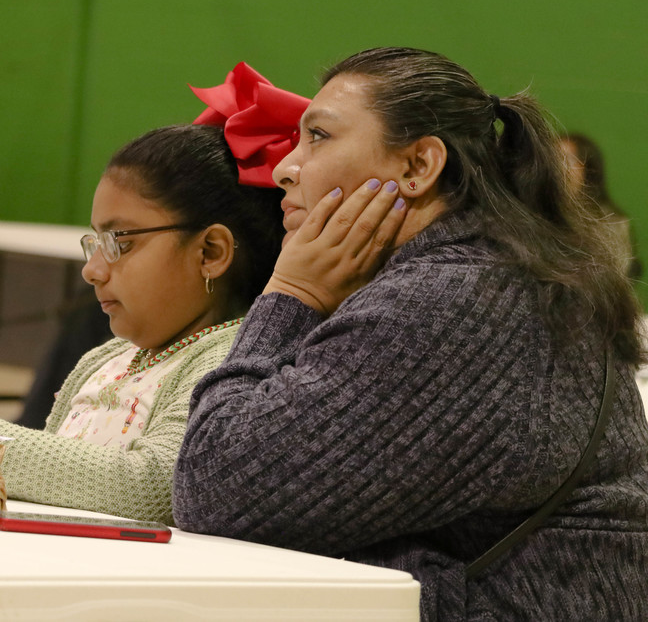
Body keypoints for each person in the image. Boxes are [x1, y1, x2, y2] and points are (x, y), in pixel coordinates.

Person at [173, 47, 648, 619]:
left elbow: (214, 488)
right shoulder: (488, 277)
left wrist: (289, 296)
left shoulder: (454, 303)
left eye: (319, 137)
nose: (284, 168)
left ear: (418, 166)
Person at [0, 122, 288, 523]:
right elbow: (46, 471)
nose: (92, 270)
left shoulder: (233, 361)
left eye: (119, 242)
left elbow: (157, 486)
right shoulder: (106, 358)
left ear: (210, 252)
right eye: (94, 242)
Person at [559, 131, 642, 279]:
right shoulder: (539, 213)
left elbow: (611, 281)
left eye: (565, 160)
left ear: (588, 170)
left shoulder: (613, 225)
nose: (557, 168)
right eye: (552, 159)